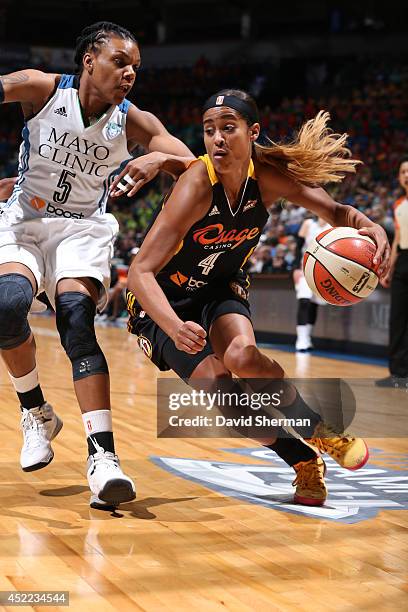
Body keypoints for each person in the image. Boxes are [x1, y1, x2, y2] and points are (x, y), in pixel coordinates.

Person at [126, 89, 390, 506]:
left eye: (228, 128)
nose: (217, 139)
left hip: (218, 287)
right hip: (163, 302)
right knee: (221, 391)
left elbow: (336, 212)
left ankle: (319, 430)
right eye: (209, 130)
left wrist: (368, 224)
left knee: (244, 356)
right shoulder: (195, 185)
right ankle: (301, 459)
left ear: (253, 132)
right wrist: (175, 328)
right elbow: (139, 273)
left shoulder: (266, 176)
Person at [0, 21, 195, 509]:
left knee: (76, 320)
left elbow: (193, 165)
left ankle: (102, 457)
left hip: (83, 229)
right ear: (89, 60)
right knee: (7, 306)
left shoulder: (134, 122)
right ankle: (36, 411)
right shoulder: (41, 88)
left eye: (136, 67)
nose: (130, 73)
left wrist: (156, 162)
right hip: (25, 217)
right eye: (120, 62)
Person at [376, 157, 408, 387]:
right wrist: (389, 268)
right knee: (397, 320)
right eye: (403, 171)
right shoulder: (398, 204)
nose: (406, 175)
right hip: (403, 262)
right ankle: (398, 374)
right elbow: (397, 239)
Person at [293, 215, 331, 351]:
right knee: (304, 301)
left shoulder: (333, 226)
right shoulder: (308, 223)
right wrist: (296, 268)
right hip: (304, 268)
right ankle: (301, 339)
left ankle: (307, 337)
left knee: (314, 304)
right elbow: (298, 247)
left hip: (323, 271)